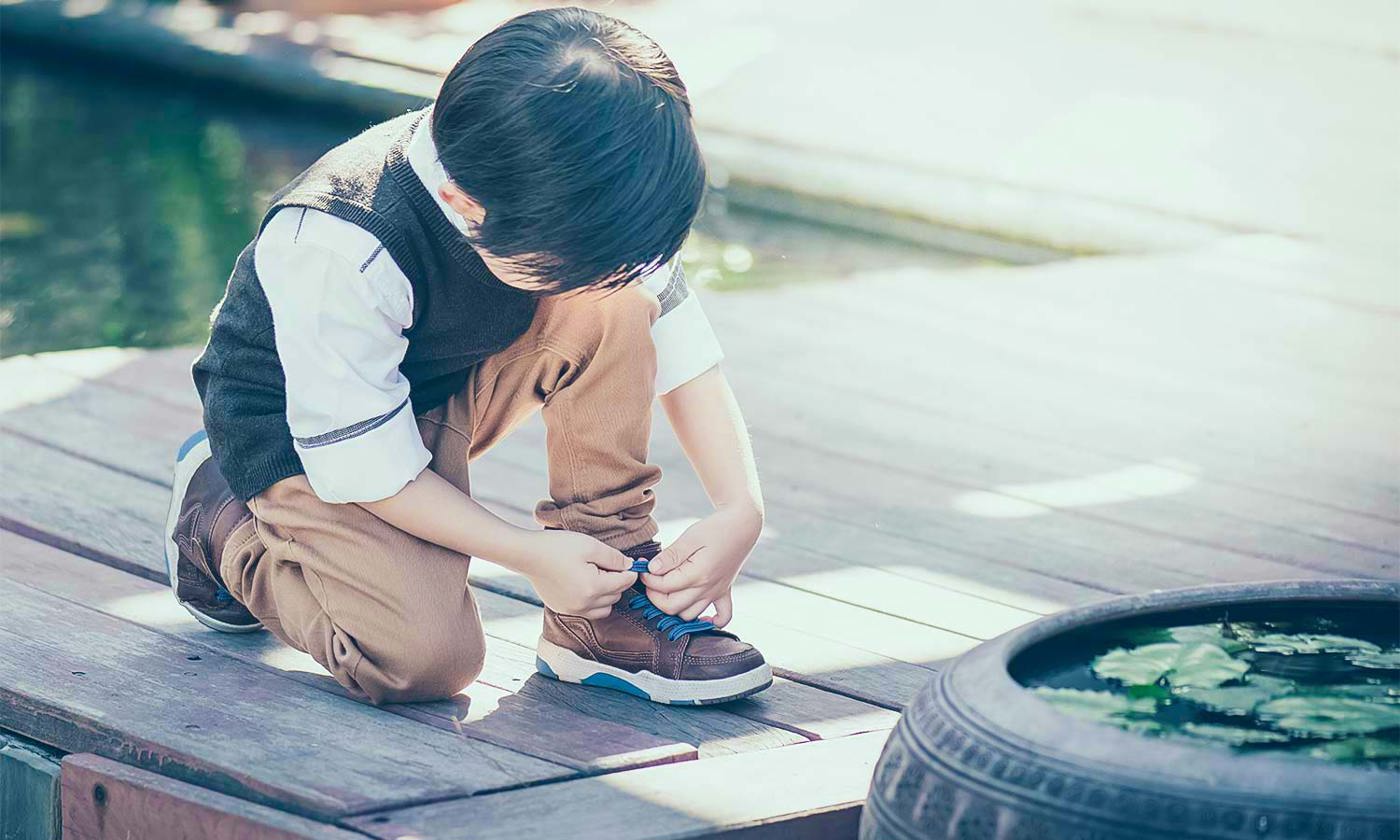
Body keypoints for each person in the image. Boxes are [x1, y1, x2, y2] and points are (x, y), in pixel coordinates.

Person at [165, 7, 771, 706]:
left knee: (620, 306)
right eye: (570, 271)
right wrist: (528, 553)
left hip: (446, 388)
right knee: (420, 661)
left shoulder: (570, 178)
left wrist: (740, 509)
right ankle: (222, 526)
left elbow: (681, 345)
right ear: (465, 206)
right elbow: (364, 463)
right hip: (306, 442)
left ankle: (600, 613)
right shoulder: (338, 239)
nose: (603, 283)